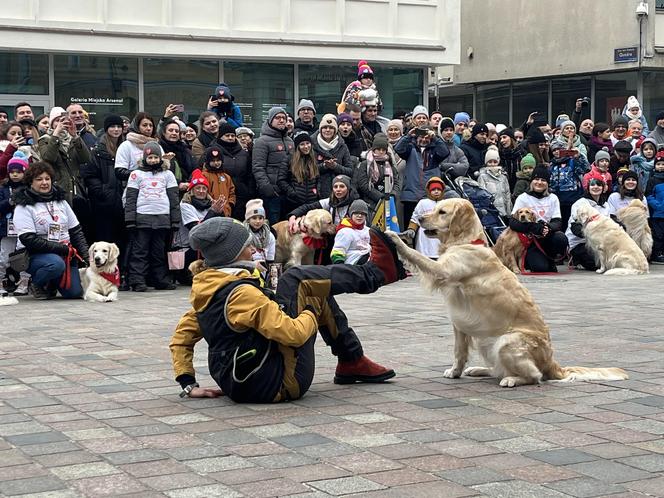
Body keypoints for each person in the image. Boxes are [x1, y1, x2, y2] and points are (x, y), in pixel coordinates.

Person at [169, 216, 404, 402]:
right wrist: (310, 312)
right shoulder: (241, 293)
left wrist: (187, 383)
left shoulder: (209, 289)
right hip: (278, 383)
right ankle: (376, 274)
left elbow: (180, 339)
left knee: (306, 286)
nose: (252, 249)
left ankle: (352, 361)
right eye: (247, 245)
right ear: (231, 254)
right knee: (298, 280)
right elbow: (293, 334)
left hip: (243, 382)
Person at [13, 162, 89, 299]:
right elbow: (28, 239)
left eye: (47, 179)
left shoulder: (61, 201)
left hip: (64, 254)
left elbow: (76, 231)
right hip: (34, 255)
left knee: (75, 293)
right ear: (31, 182)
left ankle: (51, 283)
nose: (44, 183)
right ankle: (36, 283)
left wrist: (88, 258)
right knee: (55, 264)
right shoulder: (23, 206)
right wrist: (60, 248)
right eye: (39, 179)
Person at [124, 142, 181, 292]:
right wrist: (130, 219)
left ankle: (160, 279)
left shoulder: (168, 174)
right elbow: (131, 198)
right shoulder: (136, 174)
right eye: (150, 157)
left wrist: (175, 220)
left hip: (162, 218)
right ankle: (137, 280)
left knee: (159, 251)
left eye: (156, 157)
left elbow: (174, 198)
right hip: (142, 218)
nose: (153, 160)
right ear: (144, 158)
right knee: (140, 251)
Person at [37, 107, 92, 229]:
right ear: (52, 124)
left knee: (79, 229)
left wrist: (75, 136)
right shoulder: (45, 140)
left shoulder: (72, 139)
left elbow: (86, 159)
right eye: (57, 120)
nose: (61, 123)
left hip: (77, 191)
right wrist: (56, 135)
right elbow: (48, 158)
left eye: (63, 120)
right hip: (58, 188)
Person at [510, 166, 569, 272]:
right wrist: (534, 227)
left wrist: (548, 227)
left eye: (543, 180)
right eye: (536, 179)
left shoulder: (553, 198)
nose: (539, 182)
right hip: (530, 240)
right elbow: (513, 222)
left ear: (547, 183)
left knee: (561, 239)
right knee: (540, 268)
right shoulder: (523, 198)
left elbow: (558, 221)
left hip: (547, 236)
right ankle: (530, 261)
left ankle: (551, 259)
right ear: (532, 181)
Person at [82, 115, 126, 250]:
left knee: (121, 239)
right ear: (107, 129)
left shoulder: (125, 147)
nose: (116, 129)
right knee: (105, 239)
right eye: (113, 126)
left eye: (119, 126)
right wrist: (102, 192)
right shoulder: (98, 149)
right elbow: (90, 175)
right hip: (104, 203)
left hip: (123, 200)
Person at [174, 169, 226, 283]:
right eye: (198, 188)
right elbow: (197, 231)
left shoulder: (211, 204)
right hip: (188, 247)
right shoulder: (185, 205)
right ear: (192, 190)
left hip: (206, 244)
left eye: (204, 188)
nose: (201, 191)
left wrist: (220, 213)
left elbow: (221, 226)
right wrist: (213, 212)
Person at [394, 125, 450, 224]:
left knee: (430, 228)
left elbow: (445, 152)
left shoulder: (435, 150)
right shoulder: (410, 149)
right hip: (411, 197)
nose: (424, 139)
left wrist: (435, 138)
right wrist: (408, 136)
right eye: (421, 137)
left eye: (427, 137)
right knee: (410, 229)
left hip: (430, 197)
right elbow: (398, 149)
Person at [252, 107, 294, 224]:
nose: (281, 120)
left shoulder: (290, 141)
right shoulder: (262, 141)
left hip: (288, 193)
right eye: (277, 118)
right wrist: (268, 189)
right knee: (273, 228)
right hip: (272, 195)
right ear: (270, 120)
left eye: (283, 118)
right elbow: (258, 168)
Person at [0, 153, 31, 296]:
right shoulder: (4, 189)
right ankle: (1, 281)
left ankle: (24, 282)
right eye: (12, 172)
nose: (15, 175)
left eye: (18, 172)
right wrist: (10, 202)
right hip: (7, 228)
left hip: (24, 228)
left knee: (23, 256)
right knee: (4, 257)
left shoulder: (29, 189)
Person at [403, 176, 456, 258]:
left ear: (442, 191)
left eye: (438, 190)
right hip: (424, 239)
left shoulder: (446, 204)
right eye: (433, 190)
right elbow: (415, 218)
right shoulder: (423, 203)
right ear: (429, 191)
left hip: (441, 237)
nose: (436, 192)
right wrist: (411, 229)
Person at [566, 178, 610, 270]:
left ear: (603, 188)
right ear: (588, 187)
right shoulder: (579, 203)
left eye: (598, 185)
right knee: (595, 264)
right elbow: (575, 228)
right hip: (580, 242)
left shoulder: (606, 205)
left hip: (599, 242)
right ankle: (575, 259)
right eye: (592, 185)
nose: (595, 187)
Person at [213, 122, 253, 220]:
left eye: (232, 135)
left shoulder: (243, 153)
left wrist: (249, 191)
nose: (230, 138)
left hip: (241, 195)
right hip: (222, 194)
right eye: (227, 135)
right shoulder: (213, 151)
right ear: (221, 136)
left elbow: (250, 174)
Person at [354, 133, 400, 218]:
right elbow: (363, 184)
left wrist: (392, 194)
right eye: (378, 149)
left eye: (383, 149)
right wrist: (380, 196)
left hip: (389, 202)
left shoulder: (389, 164)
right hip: (370, 203)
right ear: (373, 149)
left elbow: (396, 182)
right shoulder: (366, 163)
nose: (381, 152)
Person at [288, 174, 358, 228]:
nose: (338, 189)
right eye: (335, 187)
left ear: (348, 188)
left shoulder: (356, 204)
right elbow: (307, 207)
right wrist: (293, 215)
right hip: (333, 233)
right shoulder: (329, 201)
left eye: (342, 186)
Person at [548, 140, 589, 231]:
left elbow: (586, 169)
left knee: (571, 224)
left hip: (573, 199)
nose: (557, 152)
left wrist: (579, 156)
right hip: (558, 201)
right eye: (554, 150)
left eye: (559, 149)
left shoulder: (572, 161)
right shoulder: (551, 165)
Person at [277, 131, 320, 214]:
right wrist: (293, 193)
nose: (306, 146)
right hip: (294, 202)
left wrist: (317, 192)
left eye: (308, 143)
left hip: (312, 202)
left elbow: (318, 178)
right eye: (302, 144)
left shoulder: (314, 159)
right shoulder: (289, 159)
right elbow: (281, 180)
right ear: (297, 146)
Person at [115, 112, 161, 182]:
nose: (148, 128)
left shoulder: (157, 145)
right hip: (134, 188)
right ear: (137, 127)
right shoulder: (126, 145)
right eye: (144, 125)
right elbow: (120, 172)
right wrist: (143, 172)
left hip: (156, 188)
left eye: (151, 125)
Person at [159, 119, 195, 194]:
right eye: (171, 130)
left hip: (186, 189)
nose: (174, 133)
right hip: (165, 191)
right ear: (164, 132)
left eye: (177, 131)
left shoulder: (185, 149)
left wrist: (189, 182)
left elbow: (194, 168)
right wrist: (178, 184)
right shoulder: (159, 149)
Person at [330, 200, 371, 264]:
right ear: (351, 214)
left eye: (363, 213)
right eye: (356, 213)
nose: (359, 215)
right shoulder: (345, 231)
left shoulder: (369, 231)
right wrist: (340, 266)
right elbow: (338, 250)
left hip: (368, 264)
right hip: (351, 266)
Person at [199, 145, 235, 216]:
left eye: (218, 160)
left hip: (226, 211)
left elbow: (232, 192)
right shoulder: (203, 175)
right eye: (213, 161)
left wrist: (230, 203)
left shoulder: (226, 177)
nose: (216, 163)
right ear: (208, 162)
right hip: (210, 211)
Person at [477, 145, 511, 217]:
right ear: (486, 163)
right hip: (491, 213)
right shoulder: (482, 176)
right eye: (490, 162)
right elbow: (482, 195)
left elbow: (508, 195)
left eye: (495, 162)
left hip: (503, 212)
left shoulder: (503, 177)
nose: (492, 164)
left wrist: (509, 213)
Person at [243, 199, 275, 268]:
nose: (258, 221)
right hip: (247, 269)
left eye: (260, 218)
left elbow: (270, 259)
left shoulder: (269, 236)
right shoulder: (243, 235)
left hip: (264, 269)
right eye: (254, 218)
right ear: (248, 219)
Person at [646, 151, 664, 263]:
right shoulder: (652, 180)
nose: (661, 166)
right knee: (658, 235)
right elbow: (648, 195)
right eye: (658, 164)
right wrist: (658, 206)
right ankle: (656, 254)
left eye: (663, 164)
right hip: (657, 213)